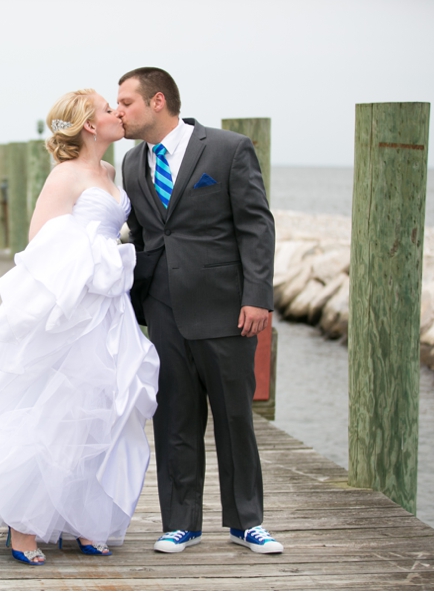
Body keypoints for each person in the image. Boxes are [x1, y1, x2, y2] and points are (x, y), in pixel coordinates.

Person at [0, 89, 160, 566]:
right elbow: (41, 241)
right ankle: (24, 524)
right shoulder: (65, 176)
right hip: (74, 304)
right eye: (106, 108)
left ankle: (84, 519)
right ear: (91, 126)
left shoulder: (111, 172)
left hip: (110, 307)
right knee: (56, 407)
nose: (116, 112)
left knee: (102, 407)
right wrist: (95, 258)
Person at [116, 67, 283, 555]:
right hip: (163, 310)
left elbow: (256, 226)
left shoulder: (228, 149)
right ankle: (181, 522)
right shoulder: (130, 163)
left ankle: (247, 521)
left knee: (235, 419)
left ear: (158, 100)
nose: (119, 110)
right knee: (175, 420)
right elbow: (146, 237)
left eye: (126, 102)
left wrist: (258, 295)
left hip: (227, 310)